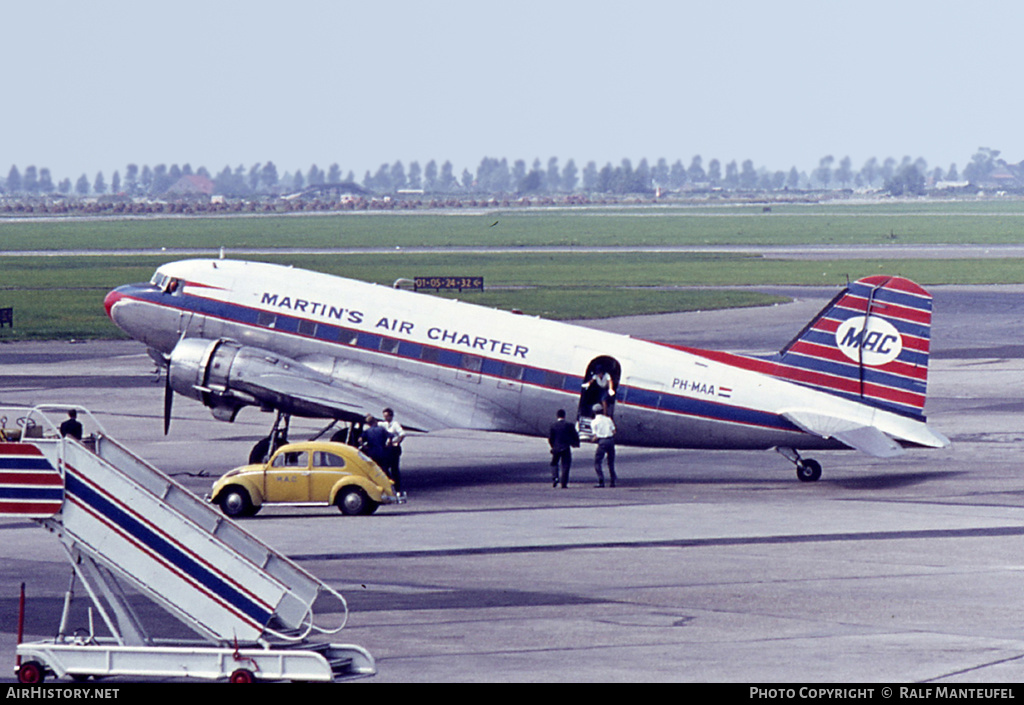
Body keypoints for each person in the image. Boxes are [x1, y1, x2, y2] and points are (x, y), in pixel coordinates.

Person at [548, 409, 580, 488]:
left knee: (554, 463)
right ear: (564, 416)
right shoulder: (569, 425)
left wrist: (553, 446)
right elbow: (574, 435)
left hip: (556, 447)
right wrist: (575, 443)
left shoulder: (553, 425)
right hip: (566, 447)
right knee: (565, 465)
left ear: (557, 416)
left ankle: (555, 477)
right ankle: (564, 483)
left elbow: (550, 438)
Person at [380, 407, 406, 493]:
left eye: (387, 416)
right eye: (384, 416)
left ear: (391, 416)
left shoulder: (395, 424)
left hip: (394, 448)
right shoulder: (383, 424)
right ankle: (389, 484)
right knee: (385, 467)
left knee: (394, 468)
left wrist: (397, 442)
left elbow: (402, 434)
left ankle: (397, 487)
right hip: (386, 448)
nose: (385, 418)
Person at [591, 405, 616, 488]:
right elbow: (614, 431)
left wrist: (592, 440)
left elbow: (595, 436)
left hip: (602, 442)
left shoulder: (594, 422)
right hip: (610, 441)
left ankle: (601, 481)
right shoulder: (608, 419)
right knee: (610, 462)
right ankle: (613, 481)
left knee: (597, 462)